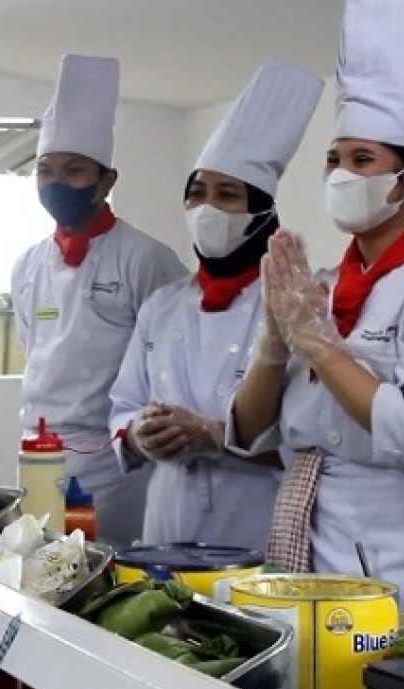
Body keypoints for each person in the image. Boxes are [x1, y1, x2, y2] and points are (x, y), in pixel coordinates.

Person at [228, 0, 404, 615]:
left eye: (362, 161)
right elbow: (249, 432)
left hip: (402, 543)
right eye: (334, 158)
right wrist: (276, 344)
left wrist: (322, 346)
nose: (339, 174)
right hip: (311, 530)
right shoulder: (320, 286)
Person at [108, 59, 323, 551]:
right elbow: (123, 406)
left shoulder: (294, 306)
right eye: (197, 194)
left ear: (262, 212)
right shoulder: (163, 306)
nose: (207, 208)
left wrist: (216, 434)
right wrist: (142, 434)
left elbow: (313, 442)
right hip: (167, 520)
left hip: (258, 521)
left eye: (228, 195)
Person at [12, 54, 188, 546]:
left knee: (109, 583)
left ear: (106, 180)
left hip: (114, 462)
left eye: (74, 171)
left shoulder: (146, 258)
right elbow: (34, 346)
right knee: (41, 572)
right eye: (46, 171)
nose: (57, 183)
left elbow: (176, 357)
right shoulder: (27, 265)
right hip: (37, 451)